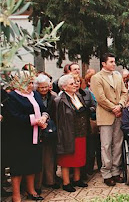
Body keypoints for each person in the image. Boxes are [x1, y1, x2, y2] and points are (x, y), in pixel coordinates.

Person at [4, 71, 49, 201]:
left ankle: (31, 190)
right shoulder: (12, 96)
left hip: (35, 135)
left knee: (32, 163)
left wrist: (44, 118)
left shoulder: (35, 94)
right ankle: (16, 195)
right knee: (18, 165)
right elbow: (13, 117)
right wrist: (35, 120)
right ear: (19, 82)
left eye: (32, 82)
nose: (31, 85)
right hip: (18, 136)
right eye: (28, 83)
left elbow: (43, 109)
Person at [91, 53, 128, 186]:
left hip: (119, 114)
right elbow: (100, 98)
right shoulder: (97, 78)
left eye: (114, 61)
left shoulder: (117, 76)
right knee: (106, 145)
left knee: (117, 144)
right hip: (106, 115)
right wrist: (114, 108)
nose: (114, 64)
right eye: (111, 62)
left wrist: (120, 105)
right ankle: (106, 173)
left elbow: (125, 92)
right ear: (103, 63)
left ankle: (116, 171)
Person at [55, 74, 91, 192]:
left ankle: (77, 179)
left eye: (75, 83)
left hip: (81, 132)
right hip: (67, 133)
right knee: (67, 158)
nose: (75, 85)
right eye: (71, 84)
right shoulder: (60, 100)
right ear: (64, 87)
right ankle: (66, 183)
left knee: (79, 157)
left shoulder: (79, 96)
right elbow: (57, 119)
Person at [33, 74, 60, 192]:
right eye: (41, 87)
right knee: (39, 157)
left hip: (51, 129)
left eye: (46, 87)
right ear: (36, 87)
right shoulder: (33, 97)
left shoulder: (53, 97)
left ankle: (50, 180)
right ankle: (37, 184)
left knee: (50, 156)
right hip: (36, 128)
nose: (44, 90)